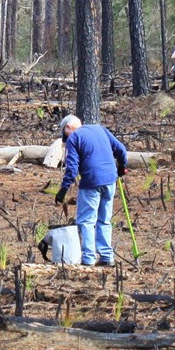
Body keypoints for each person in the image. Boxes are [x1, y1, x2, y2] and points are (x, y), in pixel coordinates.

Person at [54, 114, 128, 266]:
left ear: (68, 128)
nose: (65, 138)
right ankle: (107, 256)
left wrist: (63, 189)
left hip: (91, 182)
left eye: (64, 134)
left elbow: (72, 168)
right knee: (104, 219)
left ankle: (88, 258)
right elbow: (121, 149)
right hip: (110, 180)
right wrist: (122, 166)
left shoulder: (74, 138)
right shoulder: (100, 129)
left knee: (86, 221)